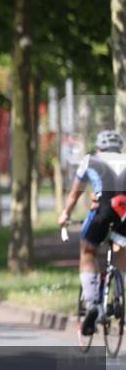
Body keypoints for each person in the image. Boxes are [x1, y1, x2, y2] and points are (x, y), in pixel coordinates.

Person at [58, 130, 126, 336]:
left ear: (99, 148)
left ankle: (92, 305)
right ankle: (119, 298)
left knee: (88, 251)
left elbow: (74, 194)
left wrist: (65, 215)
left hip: (102, 211)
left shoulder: (90, 161)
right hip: (125, 212)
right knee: (122, 250)